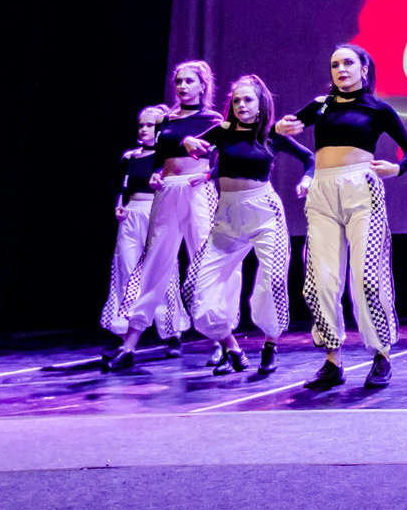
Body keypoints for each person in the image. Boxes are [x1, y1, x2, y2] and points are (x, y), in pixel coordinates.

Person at [275, 44, 407, 390]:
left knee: (367, 278)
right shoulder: (321, 105)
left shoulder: (377, 108)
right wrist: (280, 127)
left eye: (348, 63)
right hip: (323, 192)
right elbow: (285, 127)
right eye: (335, 64)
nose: (340, 69)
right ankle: (332, 361)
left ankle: (381, 354)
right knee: (320, 281)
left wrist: (397, 168)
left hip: (362, 190)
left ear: (363, 69)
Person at [182, 75, 315, 375]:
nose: (241, 105)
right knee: (194, 287)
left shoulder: (271, 135)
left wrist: (307, 179)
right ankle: (232, 348)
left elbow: (308, 158)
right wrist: (187, 142)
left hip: (264, 213)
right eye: (237, 101)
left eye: (248, 100)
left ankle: (270, 344)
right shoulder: (223, 131)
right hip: (227, 217)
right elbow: (204, 148)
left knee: (273, 280)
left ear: (261, 103)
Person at [102, 61, 224, 372]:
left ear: (202, 86)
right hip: (168, 191)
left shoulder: (212, 120)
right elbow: (159, 156)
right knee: (153, 263)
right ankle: (129, 345)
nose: (182, 86)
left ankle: (221, 343)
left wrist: (207, 175)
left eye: (189, 81)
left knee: (204, 264)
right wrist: (157, 172)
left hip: (197, 192)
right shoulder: (166, 119)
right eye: (179, 81)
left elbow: (223, 159)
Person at [98, 105, 189, 352]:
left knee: (163, 273)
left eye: (150, 125)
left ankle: (172, 332)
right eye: (141, 125)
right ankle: (124, 330)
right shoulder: (130, 157)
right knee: (126, 271)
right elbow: (120, 186)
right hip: (131, 216)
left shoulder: (168, 156)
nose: (144, 129)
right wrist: (119, 205)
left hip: (157, 214)